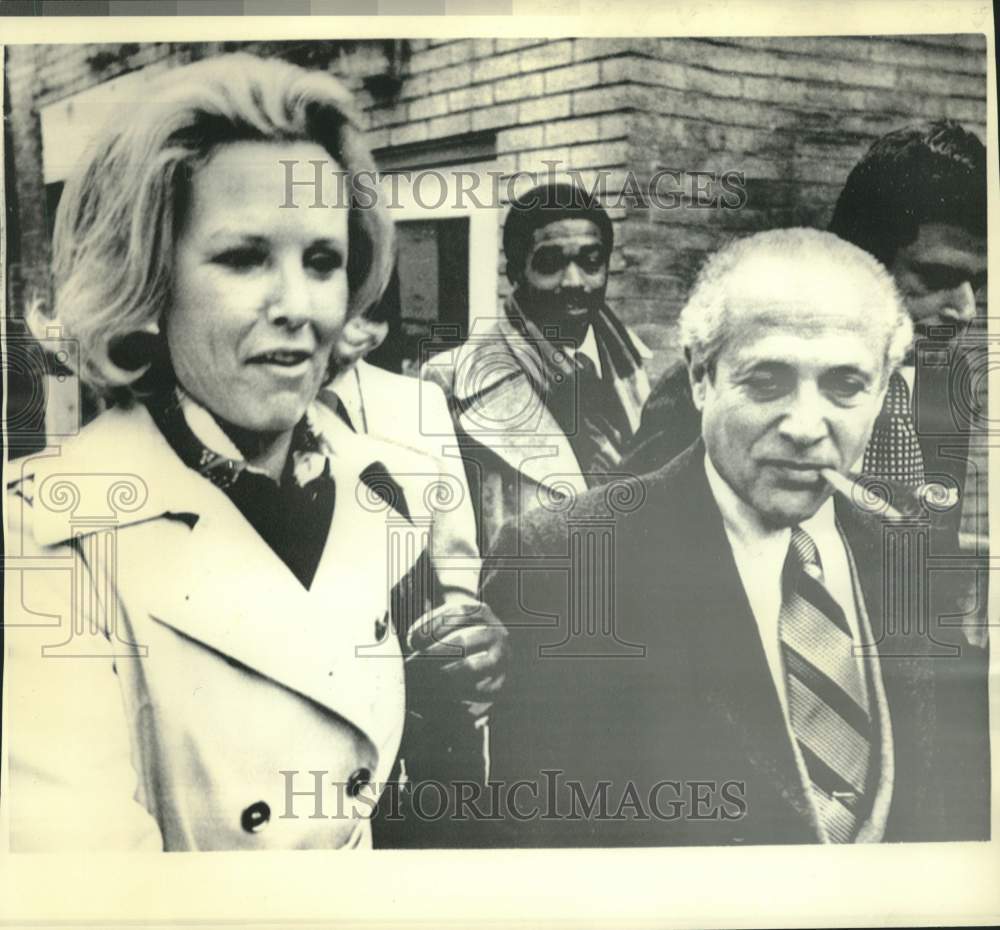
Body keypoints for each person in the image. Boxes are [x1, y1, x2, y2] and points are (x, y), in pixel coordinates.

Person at [3, 53, 503, 852]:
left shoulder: (379, 486)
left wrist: (461, 680)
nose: (298, 309)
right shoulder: (44, 533)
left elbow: (406, 786)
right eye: (243, 258)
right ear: (148, 280)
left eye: (322, 261)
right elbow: (86, 886)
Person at [482, 229, 990, 846]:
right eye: (768, 381)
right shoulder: (564, 561)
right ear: (701, 376)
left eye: (845, 386)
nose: (806, 427)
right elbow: (544, 854)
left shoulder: (905, 538)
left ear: (884, 390)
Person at [627, 121, 987, 498]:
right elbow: (635, 538)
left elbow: (936, 537)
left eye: (977, 284)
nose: (965, 311)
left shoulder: (946, 379)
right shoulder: (713, 385)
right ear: (864, 258)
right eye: (937, 277)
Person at [421, 181, 652, 554]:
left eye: (591, 262)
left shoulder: (636, 368)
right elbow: (443, 549)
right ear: (513, 273)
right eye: (550, 263)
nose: (574, 281)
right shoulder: (448, 382)